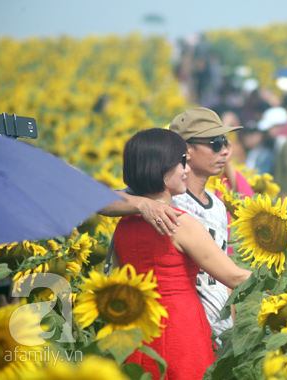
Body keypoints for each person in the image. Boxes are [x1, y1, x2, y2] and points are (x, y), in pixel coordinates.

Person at [112, 128, 251, 380]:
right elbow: (234, 277)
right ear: (162, 168)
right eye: (181, 162)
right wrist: (284, 282)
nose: (186, 170)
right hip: (180, 329)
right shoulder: (180, 223)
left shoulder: (124, 223)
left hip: (135, 327)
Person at [100, 107, 243, 344]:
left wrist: (234, 323)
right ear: (185, 150)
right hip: (186, 327)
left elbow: (223, 274)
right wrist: (143, 204)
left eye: (226, 141)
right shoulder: (165, 197)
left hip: (222, 330)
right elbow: (99, 199)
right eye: (216, 143)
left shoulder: (217, 204)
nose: (226, 150)